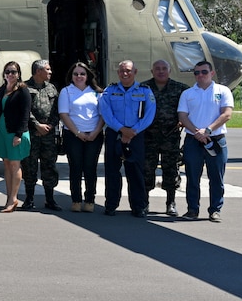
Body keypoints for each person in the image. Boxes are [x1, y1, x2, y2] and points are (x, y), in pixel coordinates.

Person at [177, 61, 234, 222]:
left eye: (203, 72)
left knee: (216, 177)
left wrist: (207, 130)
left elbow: (226, 114)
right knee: (192, 177)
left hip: (215, 139)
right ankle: (192, 210)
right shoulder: (188, 94)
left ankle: (215, 210)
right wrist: (197, 132)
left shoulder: (223, 91)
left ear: (212, 73)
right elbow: (182, 116)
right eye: (197, 73)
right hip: (193, 140)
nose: (200, 75)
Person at [99, 59, 156, 218]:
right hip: (114, 134)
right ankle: (111, 205)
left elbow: (149, 114)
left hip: (136, 136)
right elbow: (106, 112)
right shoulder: (109, 91)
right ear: (118, 73)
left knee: (136, 172)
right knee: (112, 171)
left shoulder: (145, 91)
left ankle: (138, 206)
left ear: (135, 72)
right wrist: (122, 129)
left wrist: (133, 131)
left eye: (128, 70)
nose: (125, 73)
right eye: (122, 71)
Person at [142, 59, 189, 215]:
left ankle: (171, 202)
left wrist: (185, 121)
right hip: (149, 136)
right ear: (152, 71)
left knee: (171, 170)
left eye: (164, 68)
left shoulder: (180, 89)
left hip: (171, 136)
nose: (160, 71)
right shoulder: (143, 88)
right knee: (147, 169)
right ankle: (144, 203)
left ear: (169, 71)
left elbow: (192, 107)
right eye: (157, 69)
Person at [58, 62, 105, 213]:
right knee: (75, 168)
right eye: (76, 74)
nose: (79, 76)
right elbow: (64, 114)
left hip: (94, 135)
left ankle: (90, 200)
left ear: (88, 76)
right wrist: (78, 133)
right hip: (73, 135)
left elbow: (103, 115)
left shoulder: (97, 92)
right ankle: (76, 200)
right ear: (71, 76)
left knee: (90, 168)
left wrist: (95, 132)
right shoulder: (66, 92)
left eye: (82, 74)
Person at [21, 59, 61, 211]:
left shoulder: (51, 88)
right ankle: (29, 199)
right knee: (29, 167)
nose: (50, 72)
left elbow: (57, 110)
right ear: (38, 71)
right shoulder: (24, 87)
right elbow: (24, 110)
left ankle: (50, 199)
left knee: (49, 166)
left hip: (48, 135)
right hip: (32, 133)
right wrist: (37, 125)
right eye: (48, 70)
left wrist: (50, 126)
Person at [0, 61, 32, 213]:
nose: (10, 74)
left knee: (15, 165)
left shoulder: (23, 90)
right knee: (6, 164)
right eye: (7, 72)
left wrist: (19, 134)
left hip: (16, 131)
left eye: (13, 72)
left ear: (18, 74)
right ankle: (9, 197)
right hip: (3, 130)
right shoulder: (2, 89)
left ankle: (13, 198)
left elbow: (25, 114)